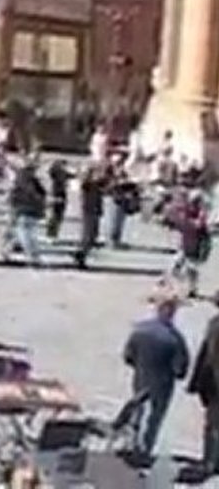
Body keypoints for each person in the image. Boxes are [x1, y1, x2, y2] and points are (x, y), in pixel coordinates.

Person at [122, 284, 190, 463]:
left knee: (137, 413)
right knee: (154, 418)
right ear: (172, 312)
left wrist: (140, 365)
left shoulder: (140, 330)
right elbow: (180, 369)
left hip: (140, 379)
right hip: (162, 385)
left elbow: (128, 356)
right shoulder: (175, 339)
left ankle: (132, 446)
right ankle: (145, 451)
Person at [188, 290, 219, 478]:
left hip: (214, 384)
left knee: (213, 425)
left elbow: (207, 356)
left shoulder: (214, 325)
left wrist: (197, 382)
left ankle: (210, 461)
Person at [169, 189, 211, 298]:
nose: (192, 204)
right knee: (175, 266)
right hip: (185, 243)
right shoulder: (186, 211)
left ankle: (192, 289)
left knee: (191, 267)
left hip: (197, 244)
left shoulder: (201, 213)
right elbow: (177, 222)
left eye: (195, 201)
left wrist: (186, 222)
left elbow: (198, 225)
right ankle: (177, 288)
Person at [7, 156, 46, 266]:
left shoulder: (28, 177)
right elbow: (30, 192)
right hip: (25, 207)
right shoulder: (25, 177)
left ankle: (12, 251)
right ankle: (32, 256)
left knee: (24, 232)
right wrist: (39, 199)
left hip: (27, 208)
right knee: (26, 233)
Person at [74, 163, 106, 269]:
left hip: (94, 211)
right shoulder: (87, 184)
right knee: (87, 235)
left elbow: (102, 192)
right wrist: (86, 173)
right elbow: (83, 183)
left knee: (93, 235)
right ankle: (80, 256)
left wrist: (100, 209)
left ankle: (81, 254)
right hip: (88, 211)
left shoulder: (96, 185)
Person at [45, 158, 71, 242]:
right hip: (56, 194)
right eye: (64, 165)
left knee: (58, 216)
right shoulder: (57, 173)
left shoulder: (63, 173)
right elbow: (50, 172)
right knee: (55, 216)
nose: (65, 167)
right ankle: (51, 234)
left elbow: (72, 175)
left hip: (61, 194)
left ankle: (54, 234)